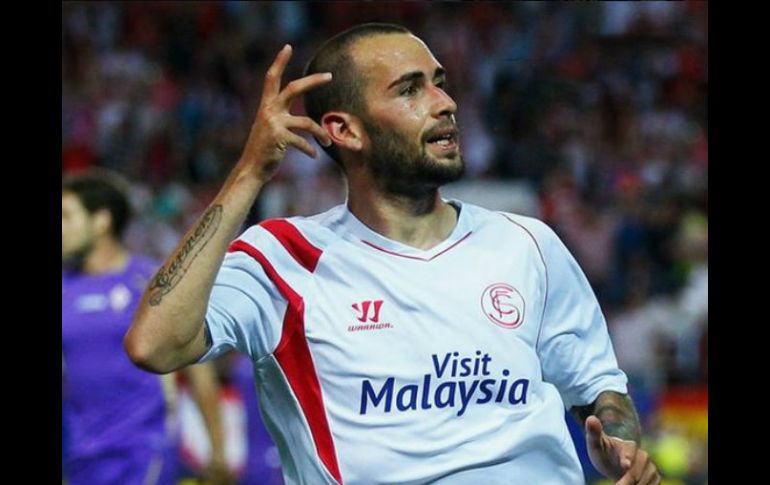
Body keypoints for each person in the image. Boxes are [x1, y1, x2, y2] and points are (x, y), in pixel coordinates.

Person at [125, 23, 661, 485]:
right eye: (410, 89)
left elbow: (597, 385)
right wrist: (250, 171)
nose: (445, 103)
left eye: (439, 82)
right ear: (344, 130)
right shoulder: (282, 259)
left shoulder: (528, 244)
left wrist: (619, 443)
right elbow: (155, 345)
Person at [62, 170, 233, 485]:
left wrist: (218, 451)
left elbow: (198, 372)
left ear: (101, 221)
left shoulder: (150, 284)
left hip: (143, 449)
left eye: (67, 217)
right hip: (80, 456)